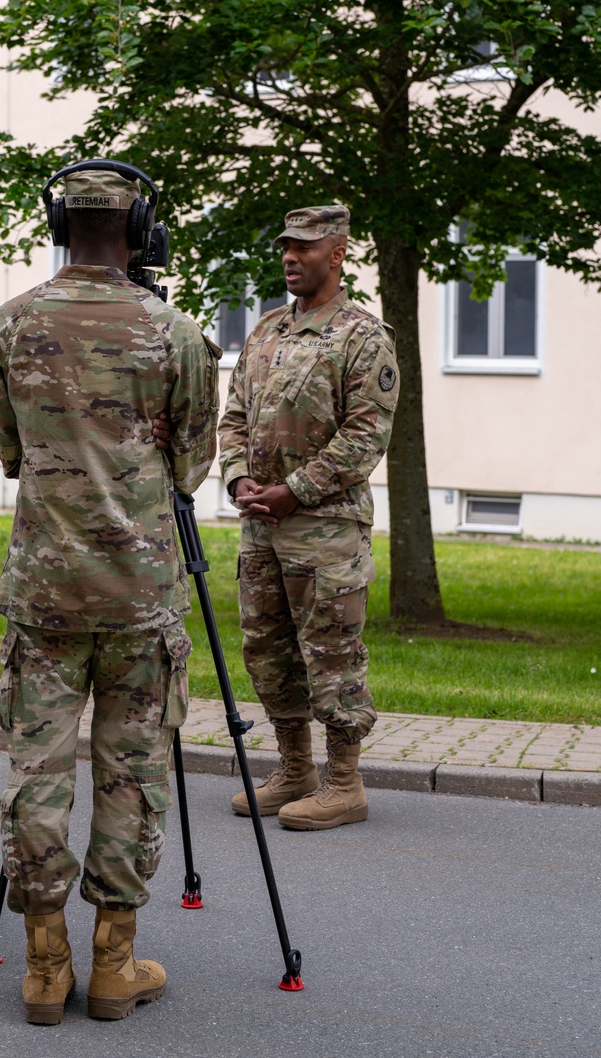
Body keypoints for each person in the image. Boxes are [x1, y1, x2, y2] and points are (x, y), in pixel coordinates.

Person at [0, 164, 221, 1025]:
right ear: (140, 223)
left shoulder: (8, 325)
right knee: (131, 775)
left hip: (44, 589)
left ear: (57, 221)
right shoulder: (175, 333)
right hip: (140, 592)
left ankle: (46, 966)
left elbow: (11, 447)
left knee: (35, 772)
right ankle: (115, 963)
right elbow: (191, 464)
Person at [219, 204, 399, 831]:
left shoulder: (362, 336)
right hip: (261, 524)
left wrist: (296, 489)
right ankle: (294, 768)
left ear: (338, 253)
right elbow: (234, 414)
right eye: (286, 248)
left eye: (305, 247)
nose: (291, 258)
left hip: (325, 528)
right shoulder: (267, 330)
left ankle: (344, 783)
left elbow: (366, 435)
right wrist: (239, 476)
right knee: (267, 649)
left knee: (331, 652)